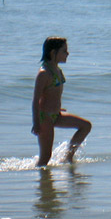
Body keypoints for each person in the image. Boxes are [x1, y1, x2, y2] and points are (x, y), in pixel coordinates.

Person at [32, 37, 92, 167]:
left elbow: (53, 94)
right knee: (45, 158)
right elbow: (35, 100)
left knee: (86, 126)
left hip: (56, 115)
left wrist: (57, 108)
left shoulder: (57, 70)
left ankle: (68, 157)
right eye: (64, 51)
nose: (68, 54)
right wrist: (36, 123)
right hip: (45, 117)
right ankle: (41, 183)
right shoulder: (44, 73)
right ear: (53, 53)